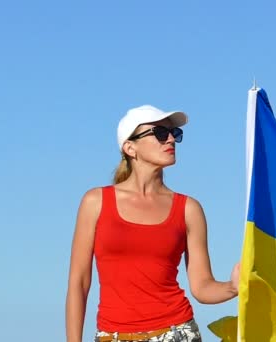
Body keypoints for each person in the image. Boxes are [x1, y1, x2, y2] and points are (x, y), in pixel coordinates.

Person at [66, 105, 239, 342]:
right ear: (130, 147)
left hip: (177, 332)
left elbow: (201, 287)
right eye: (159, 133)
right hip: (113, 335)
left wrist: (234, 286)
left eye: (174, 133)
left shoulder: (189, 209)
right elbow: (79, 282)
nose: (170, 139)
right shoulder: (95, 202)